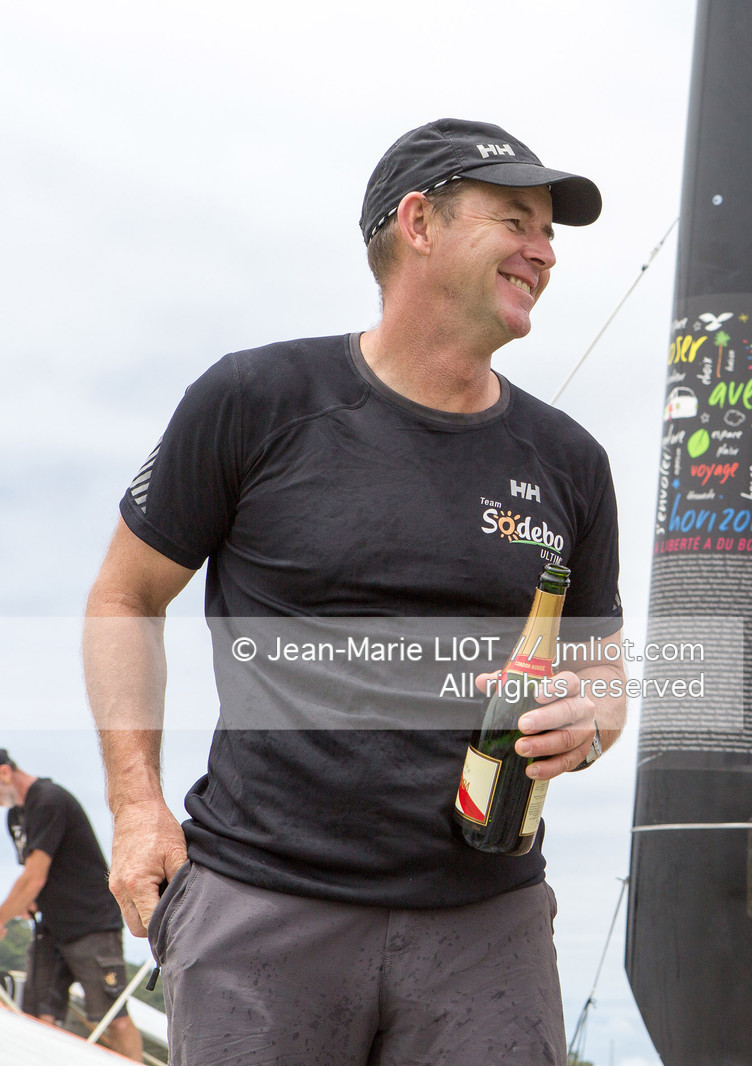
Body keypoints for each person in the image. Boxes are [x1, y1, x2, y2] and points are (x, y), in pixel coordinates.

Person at [83, 118, 627, 1065]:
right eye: (517, 221)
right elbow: (125, 599)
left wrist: (591, 723)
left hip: (486, 923)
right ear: (419, 223)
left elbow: (603, 678)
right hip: (263, 905)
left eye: (550, 233)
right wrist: (137, 810)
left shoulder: (571, 462)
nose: (544, 252)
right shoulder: (254, 401)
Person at [0, 750, 144, 1060]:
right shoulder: (15, 817)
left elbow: (33, 877)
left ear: (4, 774)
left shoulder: (49, 800)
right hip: (50, 929)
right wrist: (27, 904)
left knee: (113, 1019)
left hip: (90, 924)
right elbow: (36, 881)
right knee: (39, 1020)